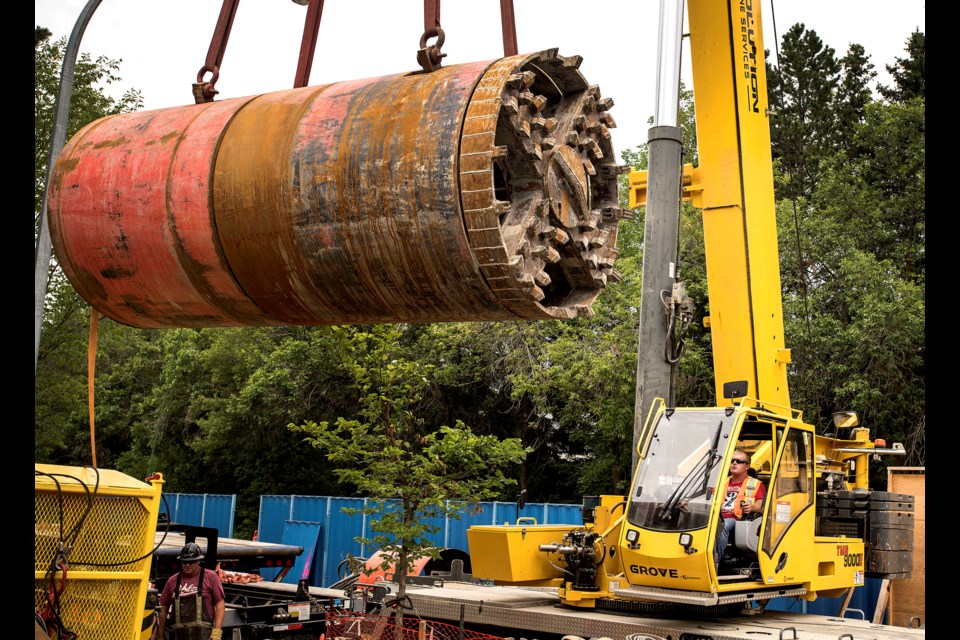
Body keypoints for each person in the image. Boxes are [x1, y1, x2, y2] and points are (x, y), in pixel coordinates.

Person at [155, 542, 226, 640]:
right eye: (184, 562)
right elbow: (163, 609)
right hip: (178, 636)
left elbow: (220, 604)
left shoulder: (210, 577)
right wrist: (160, 635)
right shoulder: (172, 581)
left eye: (191, 562)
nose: (187, 565)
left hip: (203, 635)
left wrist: (217, 631)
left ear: (198, 561)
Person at [714, 449, 766, 572]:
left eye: (739, 461)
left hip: (737, 519)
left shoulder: (756, 484)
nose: (734, 463)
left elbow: (762, 506)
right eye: (732, 460)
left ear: (747, 466)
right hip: (717, 516)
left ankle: (714, 563)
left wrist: (751, 507)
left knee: (724, 525)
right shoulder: (722, 481)